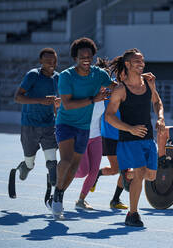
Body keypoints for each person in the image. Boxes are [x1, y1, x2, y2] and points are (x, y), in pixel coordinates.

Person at [51, 37, 116, 220]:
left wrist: (135, 83)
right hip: (65, 123)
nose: (86, 59)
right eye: (82, 56)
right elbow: (67, 104)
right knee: (66, 160)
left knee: (75, 167)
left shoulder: (99, 74)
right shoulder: (66, 76)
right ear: (75, 58)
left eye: (89, 56)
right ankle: (57, 191)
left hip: (84, 127)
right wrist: (92, 100)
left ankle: (60, 193)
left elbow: (115, 88)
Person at [106, 48, 165, 227]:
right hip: (129, 140)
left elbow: (157, 102)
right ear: (128, 64)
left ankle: (127, 174)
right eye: (137, 61)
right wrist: (130, 129)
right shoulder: (121, 89)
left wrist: (161, 117)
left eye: (143, 61)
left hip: (148, 138)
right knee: (140, 173)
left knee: (152, 176)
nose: (142, 64)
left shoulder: (148, 83)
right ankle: (132, 214)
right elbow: (109, 116)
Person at [13, 47, 60, 188]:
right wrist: (40, 100)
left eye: (53, 60)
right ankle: (25, 166)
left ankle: (55, 191)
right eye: (47, 60)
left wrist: (57, 110)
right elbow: (17, 97)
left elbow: (57, 102)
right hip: (30, 124)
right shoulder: (33, 75)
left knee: (52, 162)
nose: (51, 63)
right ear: (41, 61)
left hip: (49, 124)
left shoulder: (58, 77)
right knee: (30, 162)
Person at [90, 58, 128, 210]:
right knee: (115, 169)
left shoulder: (128, 87)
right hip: (110, 134)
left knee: (124, 169)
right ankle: (97, 175)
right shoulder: (106, 85)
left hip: (125, 133)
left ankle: (115, 199)